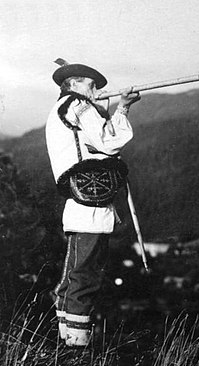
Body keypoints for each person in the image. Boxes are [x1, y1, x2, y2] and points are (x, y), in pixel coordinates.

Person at [45, 62, 141, 347]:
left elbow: (96, 143)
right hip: (89, 206)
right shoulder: (77, 103)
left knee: (75, 276)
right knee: (84, 277)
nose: (96, 90)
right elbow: (111, 141)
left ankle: (66, 344)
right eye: (91, 85)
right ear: (73, 84)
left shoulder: (66, 106)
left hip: (83, 201)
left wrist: (106, 109)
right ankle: (76, 349)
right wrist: (122, 108)